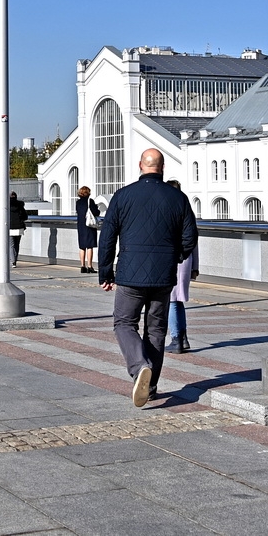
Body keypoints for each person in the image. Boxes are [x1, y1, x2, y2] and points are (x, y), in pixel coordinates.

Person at [98, 148, 197, 407]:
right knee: (156, 330)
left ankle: (139, 366)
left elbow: (107, 238)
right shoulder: (178, 198)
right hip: (163, 276)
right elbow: (190, 237)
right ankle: (150, 387)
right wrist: (175, 256)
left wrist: (106, 272)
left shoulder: (122, 196)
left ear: (140, 165)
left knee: (124, 323)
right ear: (162, 168)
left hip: (130, 274)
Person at [164, 180, 198, 353]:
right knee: (178, 301)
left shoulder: (168, 211)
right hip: (186, 260)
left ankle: (176, 338)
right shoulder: (187, 210)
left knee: (172, 301)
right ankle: (183, 339)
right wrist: (195, 266)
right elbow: (194, 240)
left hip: (173, 259)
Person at [74, 185, 99, 274]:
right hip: (89, 225)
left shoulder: (78, 202)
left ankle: (82, 266)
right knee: (89, 246)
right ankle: (89, 266)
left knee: (82, 246)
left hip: (80, 225)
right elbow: (96, 212)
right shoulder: (90, 201)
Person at [8, 191, 27, 267]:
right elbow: (25, 217)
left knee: (11, 245)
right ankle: (15, 259)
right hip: (19, 227)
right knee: (17, 244)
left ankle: (13, 261)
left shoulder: (6, 206)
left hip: (10, 227)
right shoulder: (20, 205)